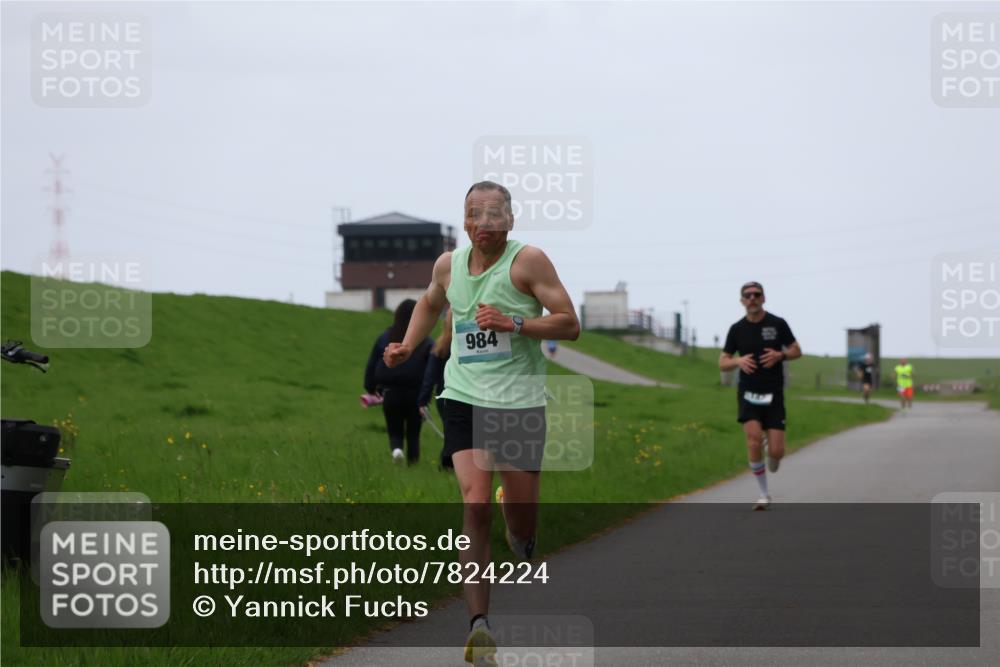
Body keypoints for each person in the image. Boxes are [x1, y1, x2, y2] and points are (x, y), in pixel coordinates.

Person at [383, 181, 580, 666]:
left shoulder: (528, 261)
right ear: (465, 220)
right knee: (473, 506)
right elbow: (430, 302)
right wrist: (409, 344)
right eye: (475, 214)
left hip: (518, 404)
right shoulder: (449, 265)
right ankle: (479, 627)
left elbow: (569, 323)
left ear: (509, 220)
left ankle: (524, 534)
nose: (485, 223)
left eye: (495, 215)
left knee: (519, 518)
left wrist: (513, 324)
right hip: (465, 398)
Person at [719, 281, 802, 511]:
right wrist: (738, 360)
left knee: (776, 453)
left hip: (773, 393)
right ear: (742, 301)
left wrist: (780, 355)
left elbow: (797, 350)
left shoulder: (777, 323)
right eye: (748, 295)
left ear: (763, 298)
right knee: (753, 439)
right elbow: (722, 362)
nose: (752, 298)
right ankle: (764, 494)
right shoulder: (737, 329)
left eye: (757, 294)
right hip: (748, 392)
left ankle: (772, 451)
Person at [364, 299, 433, 464]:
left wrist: (370, 388)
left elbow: (372, 363)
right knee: (413, 433)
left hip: (390, 392)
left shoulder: (385, 338)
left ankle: (396, 450)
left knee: (394, 428)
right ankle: (413, 463)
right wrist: (428, 395)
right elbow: (431, 370)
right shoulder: (426, 342)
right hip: (416, 394)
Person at [420, 309, 453, 469]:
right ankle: (448, 463)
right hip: (468, 395)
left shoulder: (439, 347)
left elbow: (430, 376)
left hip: (444, 398)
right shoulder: (470, 345)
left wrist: (423, 401)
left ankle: (448, 464)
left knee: (451, 432)